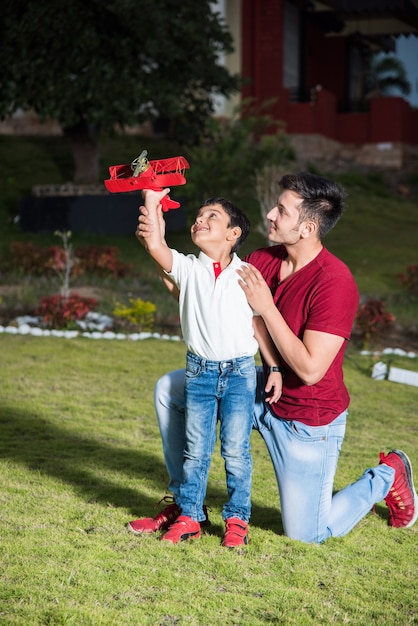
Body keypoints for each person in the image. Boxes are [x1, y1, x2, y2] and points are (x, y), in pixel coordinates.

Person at [132, 172, 417, 544]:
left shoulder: (335, 282)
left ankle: (386, 476)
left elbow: (311, 369)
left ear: (307, 228)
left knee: (308, 534)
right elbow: (207, 302)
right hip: (257, 389)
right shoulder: (262, 260)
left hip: (306, 419)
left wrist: (267, 307)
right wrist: (160, 255)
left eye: (281, 210)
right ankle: (184, 499)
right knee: (171, 388)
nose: (269, 214)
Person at [129, 189, 282, 547]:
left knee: (235, 450)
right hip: (199, 372)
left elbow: (259, 326)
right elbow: (154, 242)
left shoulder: (247, 275)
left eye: (212, 216)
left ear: (233, 234)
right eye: (199, 216)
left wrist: (273, 368)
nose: (201, 220)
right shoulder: (186, 267)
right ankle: (191, 516)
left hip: (241, 374)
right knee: (196, 449)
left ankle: (237, 518)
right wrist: (151, 200)